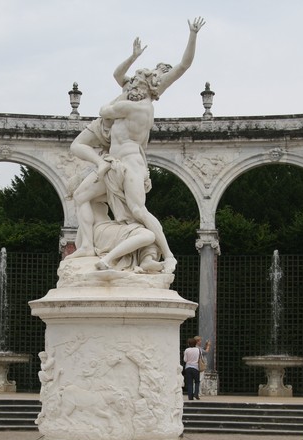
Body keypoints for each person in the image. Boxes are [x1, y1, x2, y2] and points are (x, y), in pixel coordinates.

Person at [68, 18, 206, 273]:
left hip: (130, 163)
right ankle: (87, 245)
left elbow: (184, 65)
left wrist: (192, 35)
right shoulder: (133, 95)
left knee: (137, 210)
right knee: (80, 196)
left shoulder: (137, 106)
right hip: (112, 163)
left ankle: (168, 255)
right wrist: (132, 57)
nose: (131, 87)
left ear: (149, 88)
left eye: (136, 85)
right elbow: (118, 75)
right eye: (131, 86)